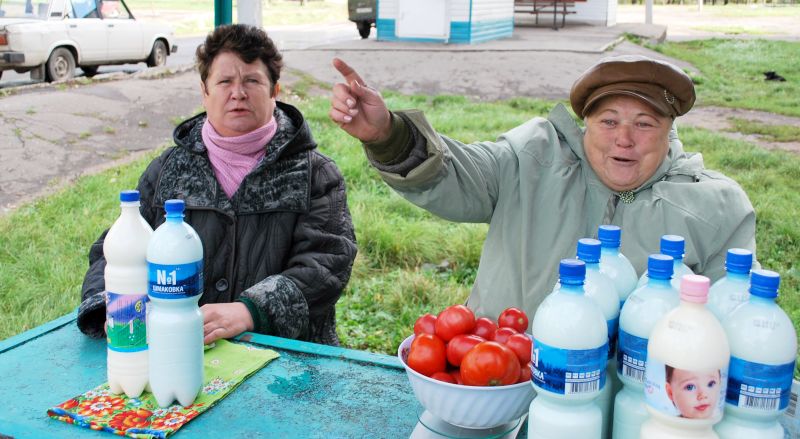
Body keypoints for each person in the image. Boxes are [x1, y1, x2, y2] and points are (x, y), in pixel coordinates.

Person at [329, 54, 756, 324]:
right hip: (502, 377)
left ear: (669, 131)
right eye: (609, 121)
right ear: (586, 126)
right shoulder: (531, 158)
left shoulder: (715, 206)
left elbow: (734, 321)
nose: (624, 139)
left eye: (644, 124)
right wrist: (388, 135)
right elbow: (456, 174)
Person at [79, 24, 357, 346]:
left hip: (289, 356)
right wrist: (109, 306)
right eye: (224, 81)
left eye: (252, 81)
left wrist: (251, 311)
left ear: (275, 91)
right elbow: (117, 249)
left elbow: (328, 262)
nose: (238, 93)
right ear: (205, 91)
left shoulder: (315, 174)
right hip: (182, 348)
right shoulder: (168, 170)